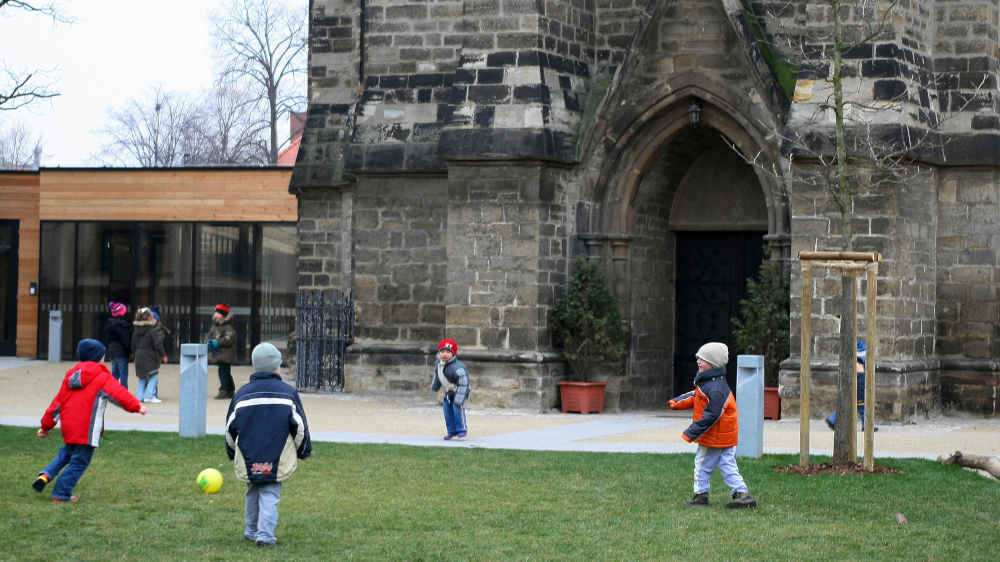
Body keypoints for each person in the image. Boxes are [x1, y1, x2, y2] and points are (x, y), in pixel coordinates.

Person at [33, 338, 147, 502]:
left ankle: (46, 474)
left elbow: (56, 404)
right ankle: (61, 493)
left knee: (66, 454)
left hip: (69, 428)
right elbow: (119, 394)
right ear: (99, 358)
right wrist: (137, 406)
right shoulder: (102, 377)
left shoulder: (70, 377)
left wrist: (45, 426)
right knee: (79, 462)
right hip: (86, 431)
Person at [225, 342, 311, 548]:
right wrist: (303, 449)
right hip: (277, 454)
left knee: (253, 490)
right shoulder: (287, 393)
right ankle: (265, 535)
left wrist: (231, 451)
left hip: (248, 455)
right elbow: (299, 426)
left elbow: (230, 428)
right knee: (270, 493)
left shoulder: (242, 395)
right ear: (276, 367)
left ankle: (251, 530)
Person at [668, 342, 757, 509]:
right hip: (725, 435)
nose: (698, 361)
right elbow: (696, 396)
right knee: (727, 464)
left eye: (703, 359)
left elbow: (712, 415)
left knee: (702, 463)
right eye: (698, 357)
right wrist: (677, 402)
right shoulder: (710, 381)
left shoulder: (715, 387)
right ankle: (742, 494)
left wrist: (691, 432)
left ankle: (701, 495)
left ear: (714, 363)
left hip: (715, 436)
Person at [826, 340, 875, 431]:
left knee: (849, 405)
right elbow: (860, 379)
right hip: (859, 385)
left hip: (853, 384)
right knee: (862, 406)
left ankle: (833, 419)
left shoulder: (853, 361)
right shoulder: (859, 363)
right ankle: (866, 426)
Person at [430, 338, 470, 440]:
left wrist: (459, 398)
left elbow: (464, 383)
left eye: (448, 352)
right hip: (449, 392)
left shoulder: (458, 367)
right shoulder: (439, 365)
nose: (444, 354)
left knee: (457, 410)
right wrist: (435, 386)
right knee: (447, 411)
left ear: (453, 354)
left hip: (459, 390)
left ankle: (462, 431)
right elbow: (438, 376)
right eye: (442, 351)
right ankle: (451, 431)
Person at [132, 307, 167, 403]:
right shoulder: (152, 330)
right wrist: (163, 355)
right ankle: (149, 396)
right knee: (153, 375)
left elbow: (133, 344)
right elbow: (158, 344)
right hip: (149, 355)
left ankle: (139, 397)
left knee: (142, 377)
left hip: (139, 355)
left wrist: (134, 356)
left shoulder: (136, 330)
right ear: (149, 317)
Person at [206, 304, 237, 399]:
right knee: (225, 372)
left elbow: (228, 339)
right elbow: (209, 336)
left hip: (226, 354)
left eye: (218, 313)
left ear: (223, 315)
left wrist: (216, 343)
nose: (215, 315)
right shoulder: (215, 326)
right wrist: (209, 342)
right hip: (219, 354)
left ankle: (223, 390)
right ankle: (230, 389)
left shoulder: (228, 327)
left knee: (223, 372)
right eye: (215, 312)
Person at [102, 301, 131, 389]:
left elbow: (106, 339)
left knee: (115, 372)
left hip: (112, 351)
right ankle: (123, 392)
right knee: (123, 373)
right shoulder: (123, 325)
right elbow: (125, 340)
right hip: (121, 352)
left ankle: (112, 390)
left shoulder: (109, 324)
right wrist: (129, 350)